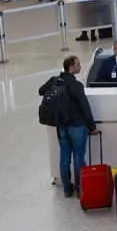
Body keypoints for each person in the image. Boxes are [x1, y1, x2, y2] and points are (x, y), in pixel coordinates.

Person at [39, 56, 98, 197]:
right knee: (78, 157)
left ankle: (66, 188)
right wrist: (92, 126)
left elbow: (41, 91)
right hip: (77, 125)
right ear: (71, 67)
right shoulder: (76, 86)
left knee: (64, 156)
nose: (80, 66)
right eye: (78, 64)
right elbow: (84, 106)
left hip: (61, 126)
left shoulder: (54, 80)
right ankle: (79, 187)